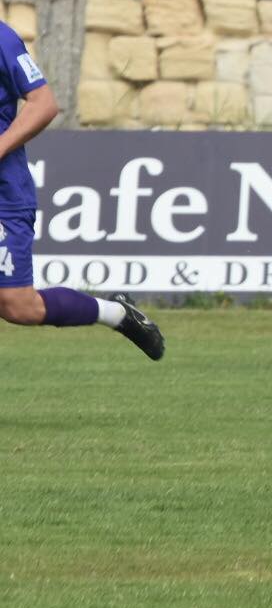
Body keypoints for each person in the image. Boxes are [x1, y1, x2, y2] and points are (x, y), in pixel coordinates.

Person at [0, 19, 165, 358]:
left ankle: (116, 314)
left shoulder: (2, 39)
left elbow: (43, 104)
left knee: (19, 306)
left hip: (4, 193)